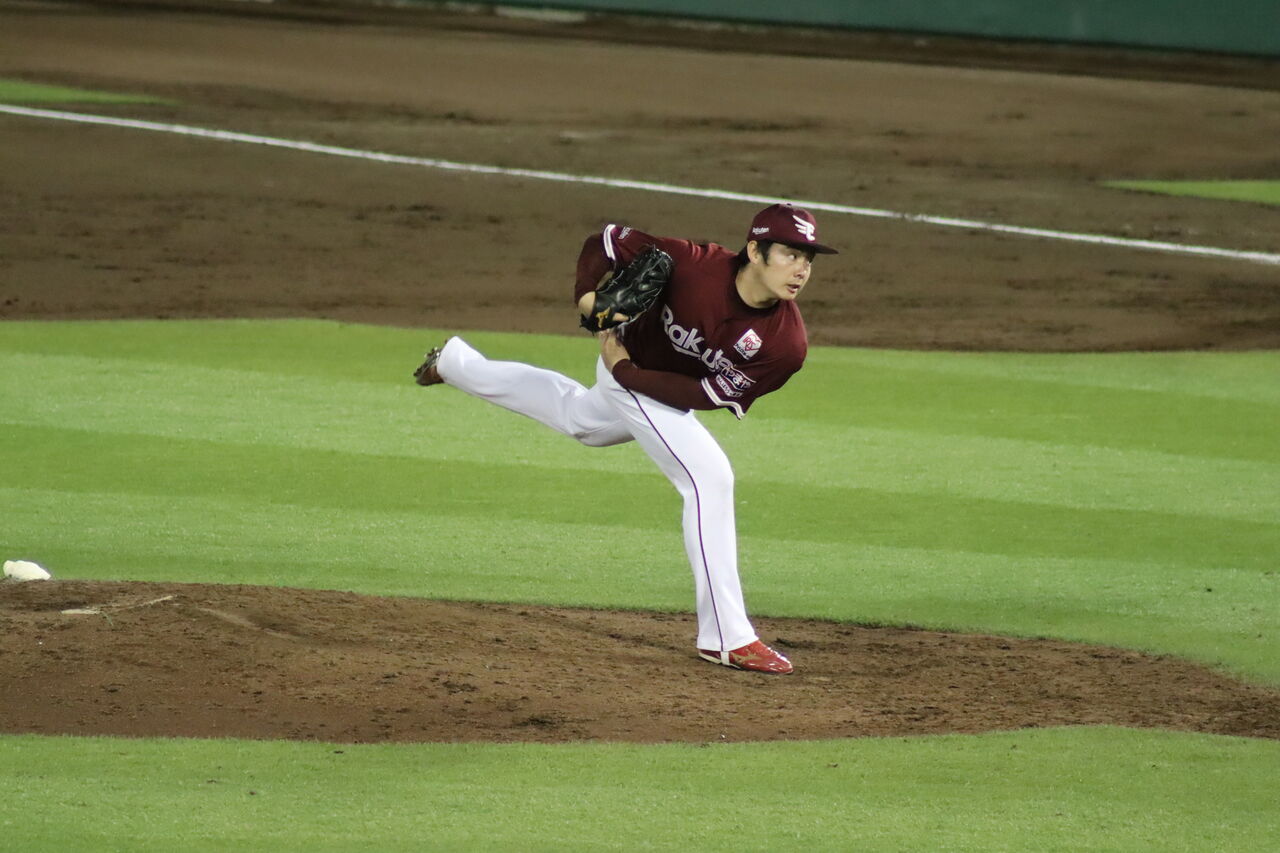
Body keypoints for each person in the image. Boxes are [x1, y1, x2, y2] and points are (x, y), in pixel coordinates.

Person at [413, 203, 837, 673]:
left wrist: (623, 370)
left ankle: (455, 364)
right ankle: (727, 637)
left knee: (582, 421)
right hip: (627, 362)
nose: (801, 269)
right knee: (710, 479)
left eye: (808, 259)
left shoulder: (785, 345)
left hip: (636, 375)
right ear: (755, 251)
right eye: (790, 254)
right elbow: (606, 241)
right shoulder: (693, 264)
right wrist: (587, 300)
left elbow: (703, 395)